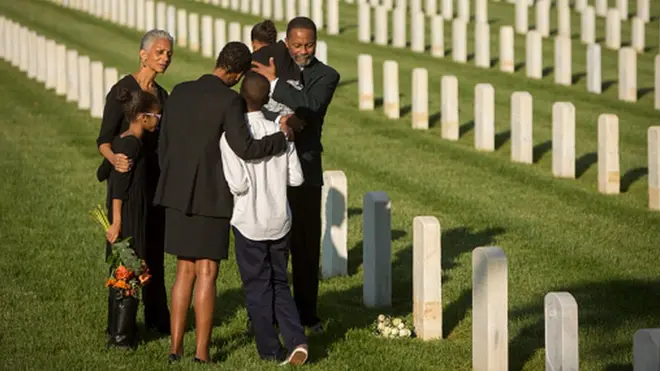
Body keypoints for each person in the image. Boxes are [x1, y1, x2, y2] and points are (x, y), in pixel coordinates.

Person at [153, 41, 295, 364]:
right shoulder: (229, 101)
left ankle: (175, 349)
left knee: (182, 272)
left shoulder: (179, 91)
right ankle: (202, 353)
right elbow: (244, 147)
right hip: (211, 195)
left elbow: (164, 145)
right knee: (206, 272)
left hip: (175, 194)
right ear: (238, 74)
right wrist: (280, 138)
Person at [252, 17, 341, 334]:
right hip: (270, 165)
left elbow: (312, 106)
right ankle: (267, 314)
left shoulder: (327, 75)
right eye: (298, 45)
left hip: (305, 167)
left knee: (305, 245)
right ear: (287, 42)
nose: (304, 50)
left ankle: (307, 315)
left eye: (310, 44)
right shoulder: (268, 62)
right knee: (272, 244)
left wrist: (276, 84)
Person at [220, 71, 308, 365]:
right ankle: (297, 339)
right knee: (280, 282)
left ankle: (270, 350)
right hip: (280, 219)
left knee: (258, 287)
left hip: (250, 222)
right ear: (267, 99)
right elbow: (296, 179)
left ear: (240, 98)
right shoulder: (280, 132)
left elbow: (238, 185)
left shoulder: (230, 137)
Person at [96, 29, 174, 337]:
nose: (165, 57)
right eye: (159, 52)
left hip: (155, 184)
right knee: (127, 254)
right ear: (143, 54)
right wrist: (115, 157)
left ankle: (157, 320)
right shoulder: (122, 91)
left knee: (153, 253)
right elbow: (103, 139)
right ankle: (120, 329)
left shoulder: (162, 96)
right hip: (127, 182)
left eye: (169, 53)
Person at [105, 88, 163, 348]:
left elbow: (102, 171)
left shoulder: (124, 140)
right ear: (142, 117)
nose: (158, 120)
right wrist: (117, 222)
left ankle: (118, 329)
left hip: (131, 212)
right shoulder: (131, 143)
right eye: (156, 116)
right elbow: (119, 185)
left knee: (125, 269)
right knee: (127, 270)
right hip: (128, 215)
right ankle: (121, 338)